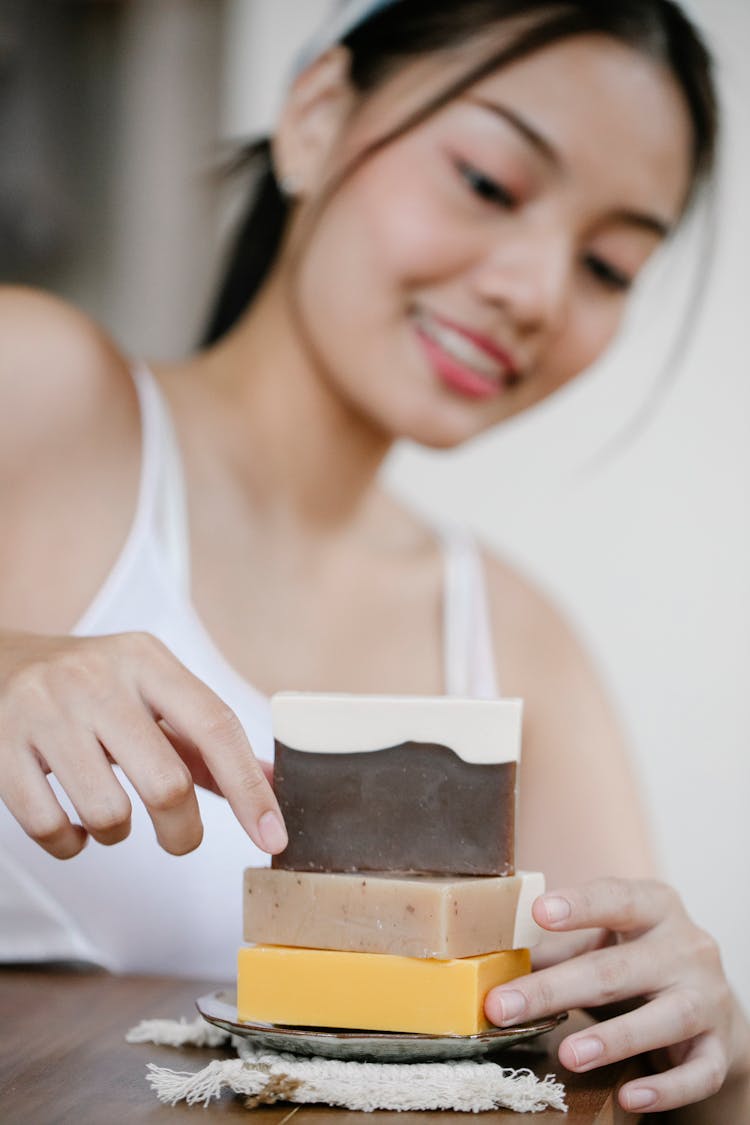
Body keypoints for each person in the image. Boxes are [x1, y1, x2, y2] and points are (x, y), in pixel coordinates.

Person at [0, 0, 747, 1117]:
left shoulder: (517, 641)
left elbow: (620, 1058)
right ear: (314, 118)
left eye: (607, 264)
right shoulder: (34, 384)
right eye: (490, 183)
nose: (536, 292)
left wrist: (712, 1051)